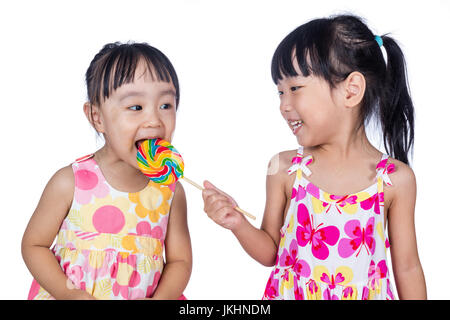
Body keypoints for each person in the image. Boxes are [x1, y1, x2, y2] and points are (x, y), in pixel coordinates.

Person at [202, 15, 426, 300]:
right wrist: (237, 223)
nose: (284, 105)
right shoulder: (284, 168)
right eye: (280, 92)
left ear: (351, 90)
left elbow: (407, 268)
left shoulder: (395, 180)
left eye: (295, 88)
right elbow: (272, 250)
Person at [22, 42, 192, 300]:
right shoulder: (70, 182)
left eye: (166, 105)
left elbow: (180, 261)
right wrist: (70, 295)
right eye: (136, 107)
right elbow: (34, 246)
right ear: (96, 117)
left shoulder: (170, 191)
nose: (154, 120)